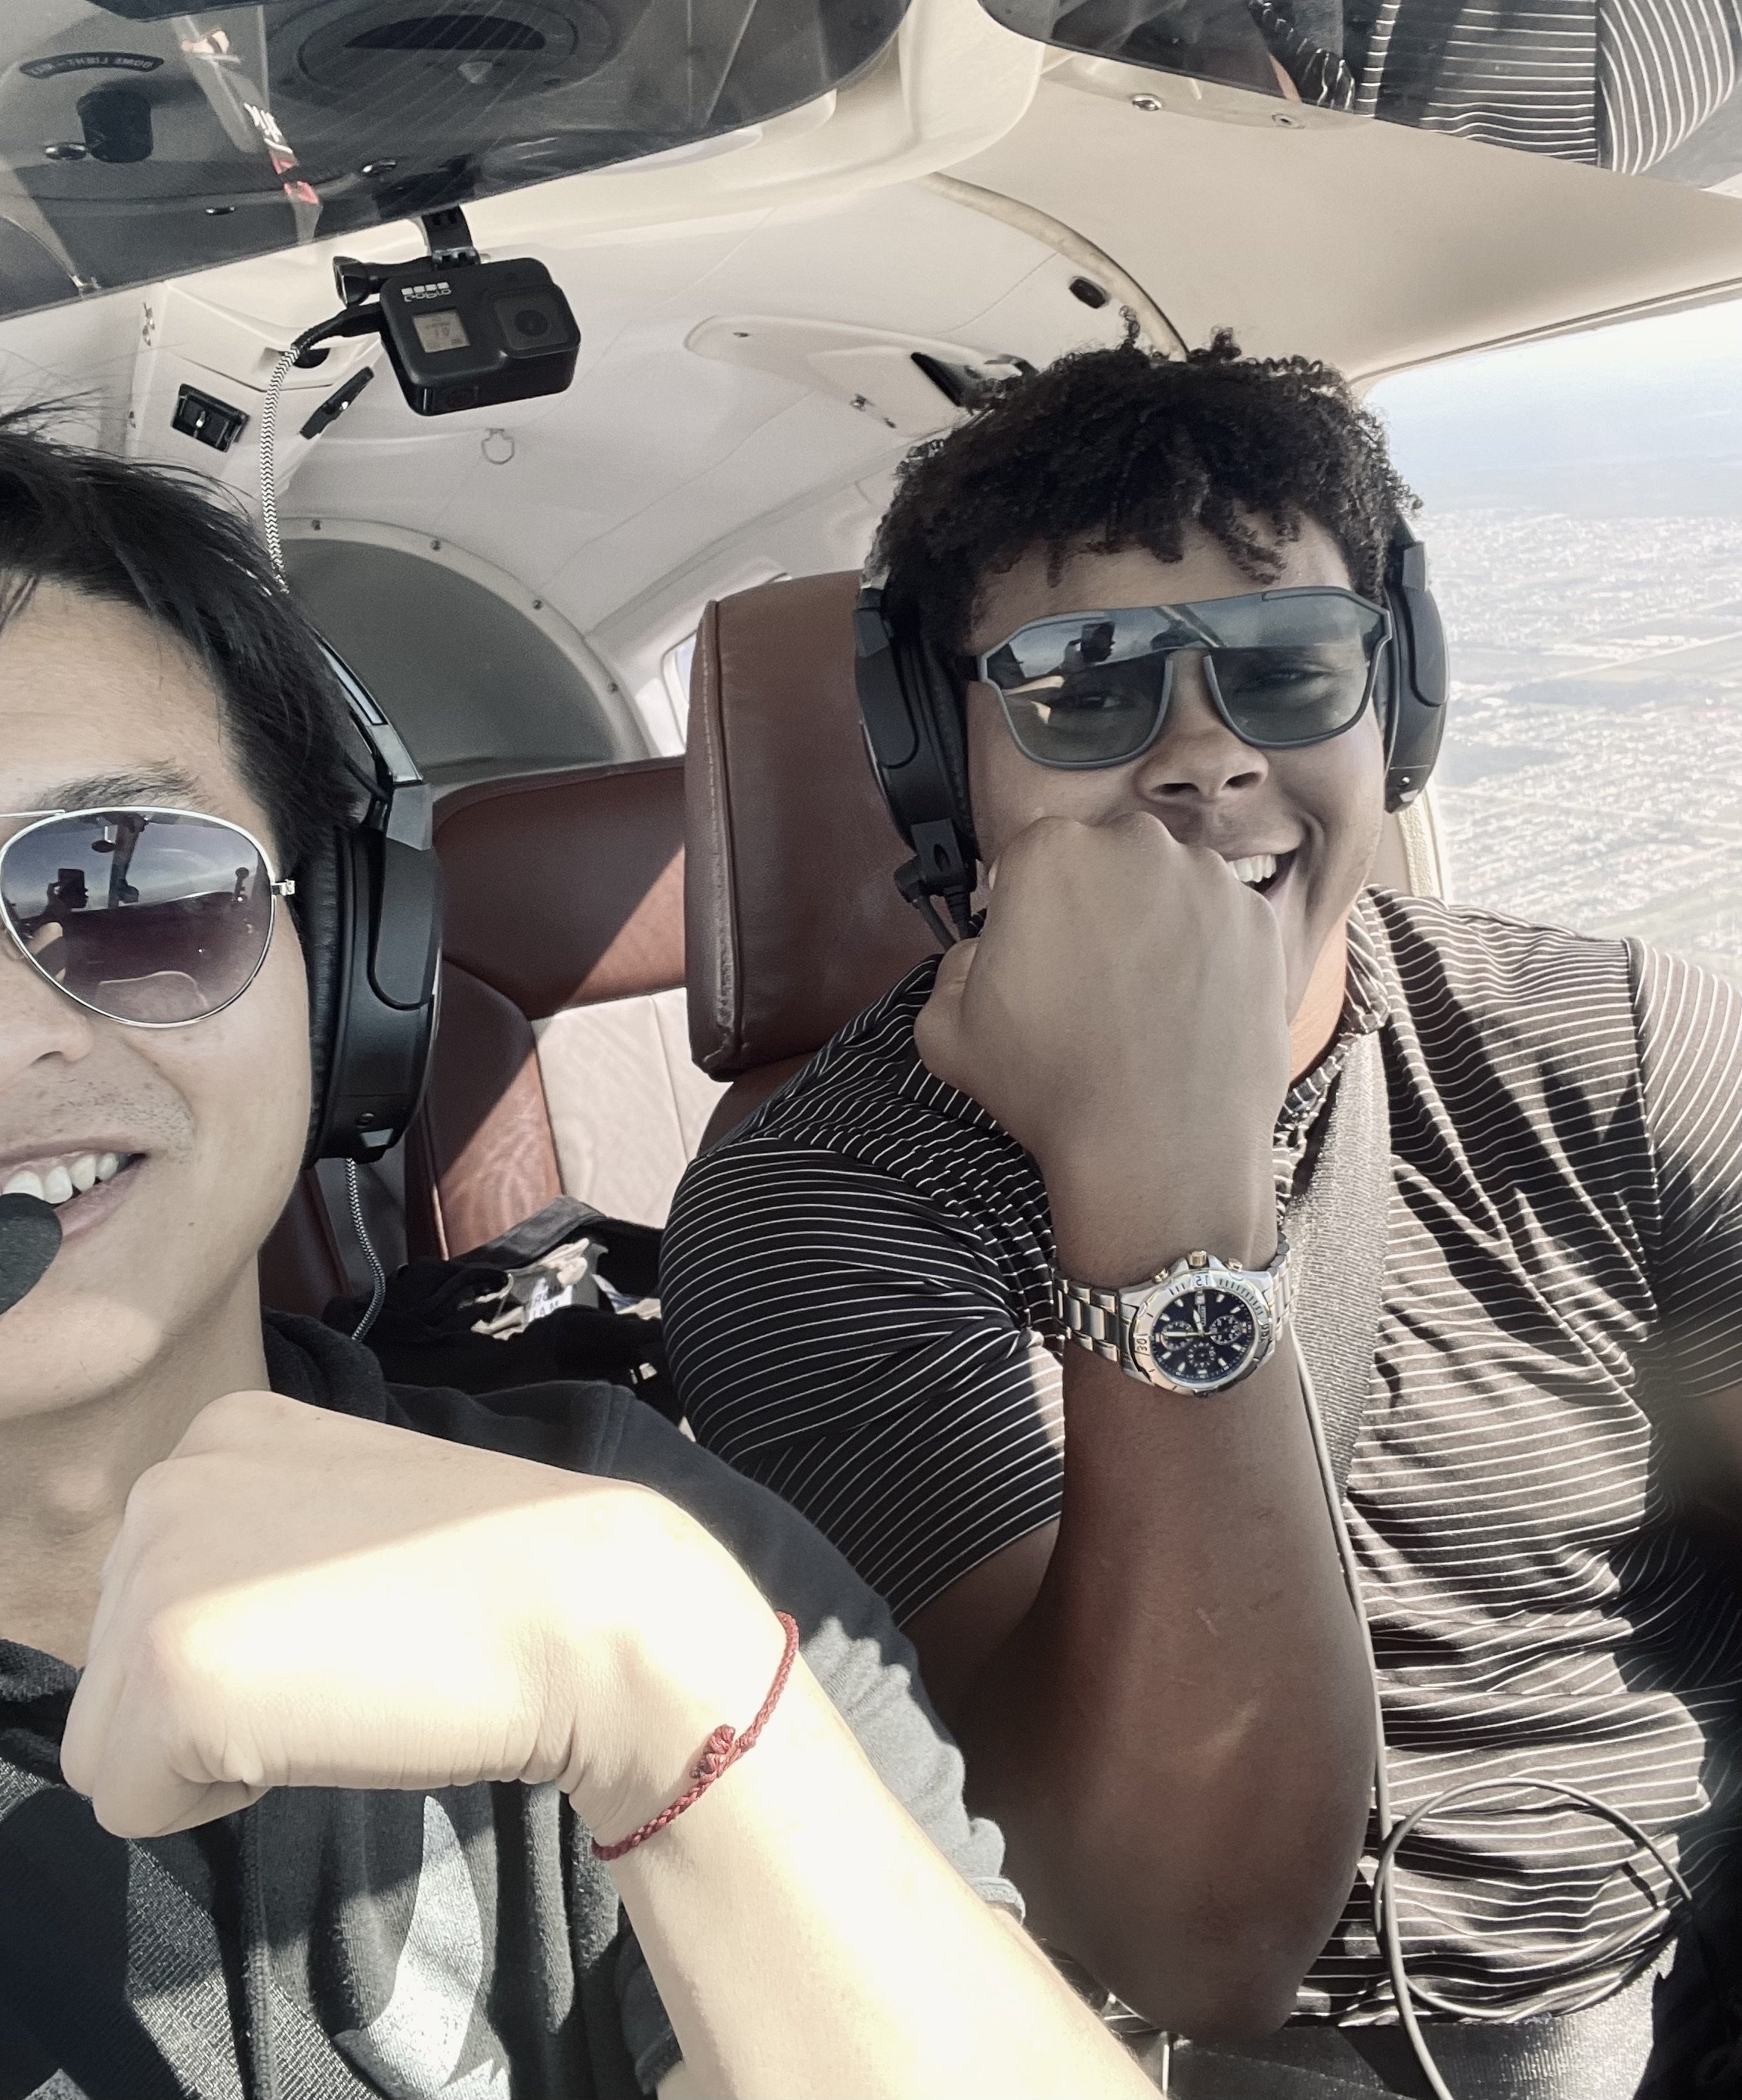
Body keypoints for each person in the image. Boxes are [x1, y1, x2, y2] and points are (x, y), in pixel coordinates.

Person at [0, 414, 1158, 2100]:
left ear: (345, 964)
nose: (10, 1037)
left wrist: (664, 1707)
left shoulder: (628, 1532)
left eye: (124, 883)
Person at [661, 336, 1742, 2096]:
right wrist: (1163, 1174)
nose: (1207, 757)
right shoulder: (814, 1213)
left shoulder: (1613, 1050)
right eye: (1083, 686)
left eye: (1289, 668)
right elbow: (1191, 1935)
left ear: (1398, 705)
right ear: (943, 764)